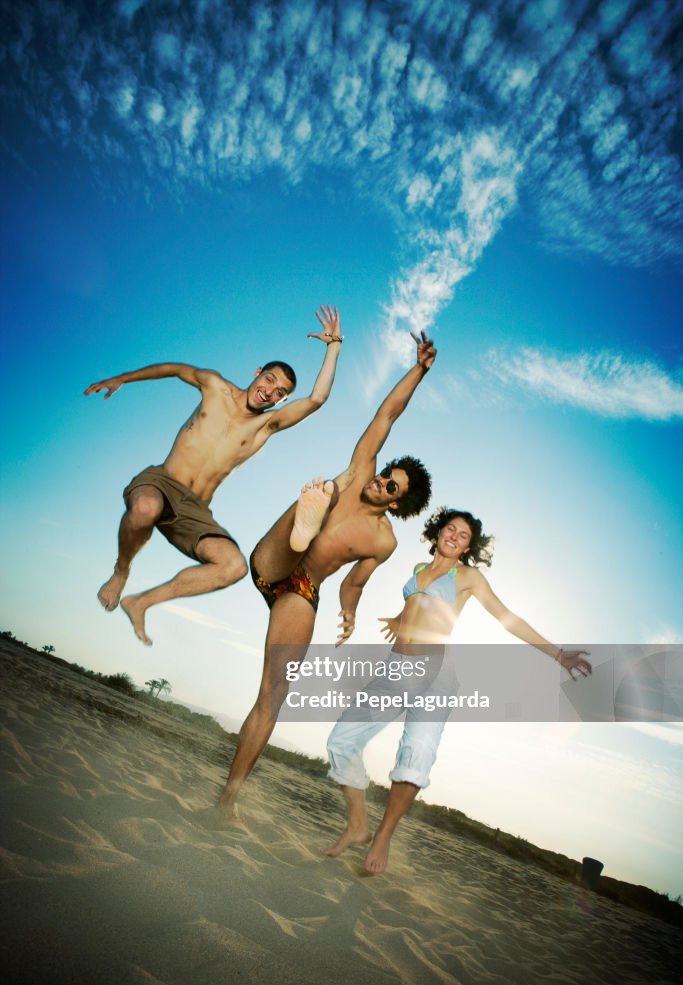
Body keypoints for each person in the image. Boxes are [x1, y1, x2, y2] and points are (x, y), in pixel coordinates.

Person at [215, 331, 437, 818]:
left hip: (303, 589)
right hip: (275, 558)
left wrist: (349, 613)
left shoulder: (383, 542)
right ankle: (309, 515)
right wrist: (418, 370)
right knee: (314, 508)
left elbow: (355, 581)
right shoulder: (360, 470)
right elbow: (387, 414)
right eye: (386, 474)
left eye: (390, 486)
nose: (380, 481)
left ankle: (229, 796)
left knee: (275, 693)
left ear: (396, 503)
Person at [322, 506, 592, 874]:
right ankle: (358, 824)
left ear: (468, 547)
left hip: (436, 675)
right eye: (451, 529)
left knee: (415, 755)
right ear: (438, 532)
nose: (455, 536)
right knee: (341, 740)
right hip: (395, 668)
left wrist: (558, 655)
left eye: (464, 535)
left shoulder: (468, 578)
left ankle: (383, 835)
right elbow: (419, 602)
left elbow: (506, 617)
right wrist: (401, 619)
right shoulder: (418, 570)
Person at [84, 305, 343, 645]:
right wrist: (123, 378)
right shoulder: (214, 386)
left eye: (280, 393)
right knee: (145, 509)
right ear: (257, 372)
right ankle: (122, 572)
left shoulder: (266, 425)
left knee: (233, 566)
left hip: (194, 511)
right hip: (161, 483)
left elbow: (317, 399)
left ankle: (142, 601)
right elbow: (174, 368)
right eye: (269, 379)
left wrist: (334, 345)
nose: (270, 391)